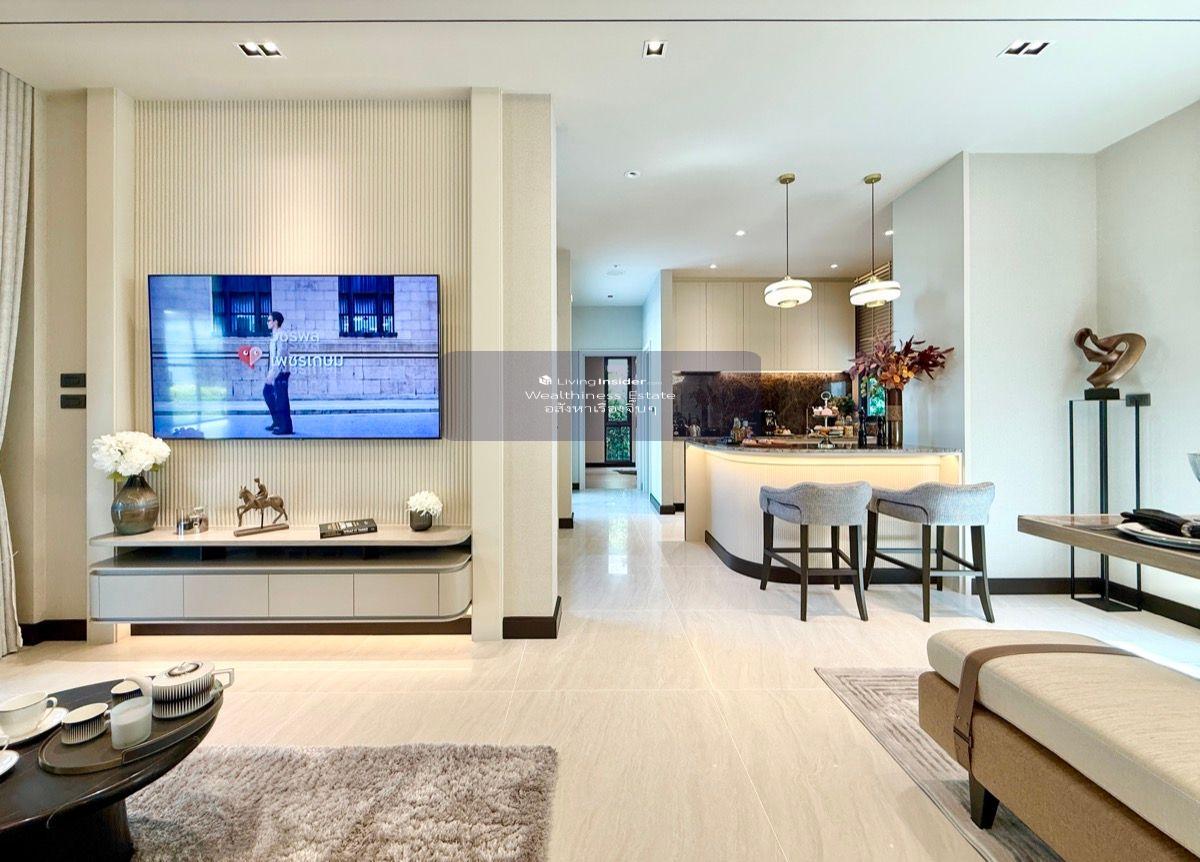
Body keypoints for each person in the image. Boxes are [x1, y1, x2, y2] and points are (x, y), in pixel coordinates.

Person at [262, 311, 293, 435]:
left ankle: (285, 427)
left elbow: (280, 356)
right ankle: (277, 421)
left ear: (275, 322)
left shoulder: (281, 336)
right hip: (275, 371)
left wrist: (272, 374)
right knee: (268, 393)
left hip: (281, 372)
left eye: (269, 320)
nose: (267, 322)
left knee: (281, 399)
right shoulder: (275, 335)